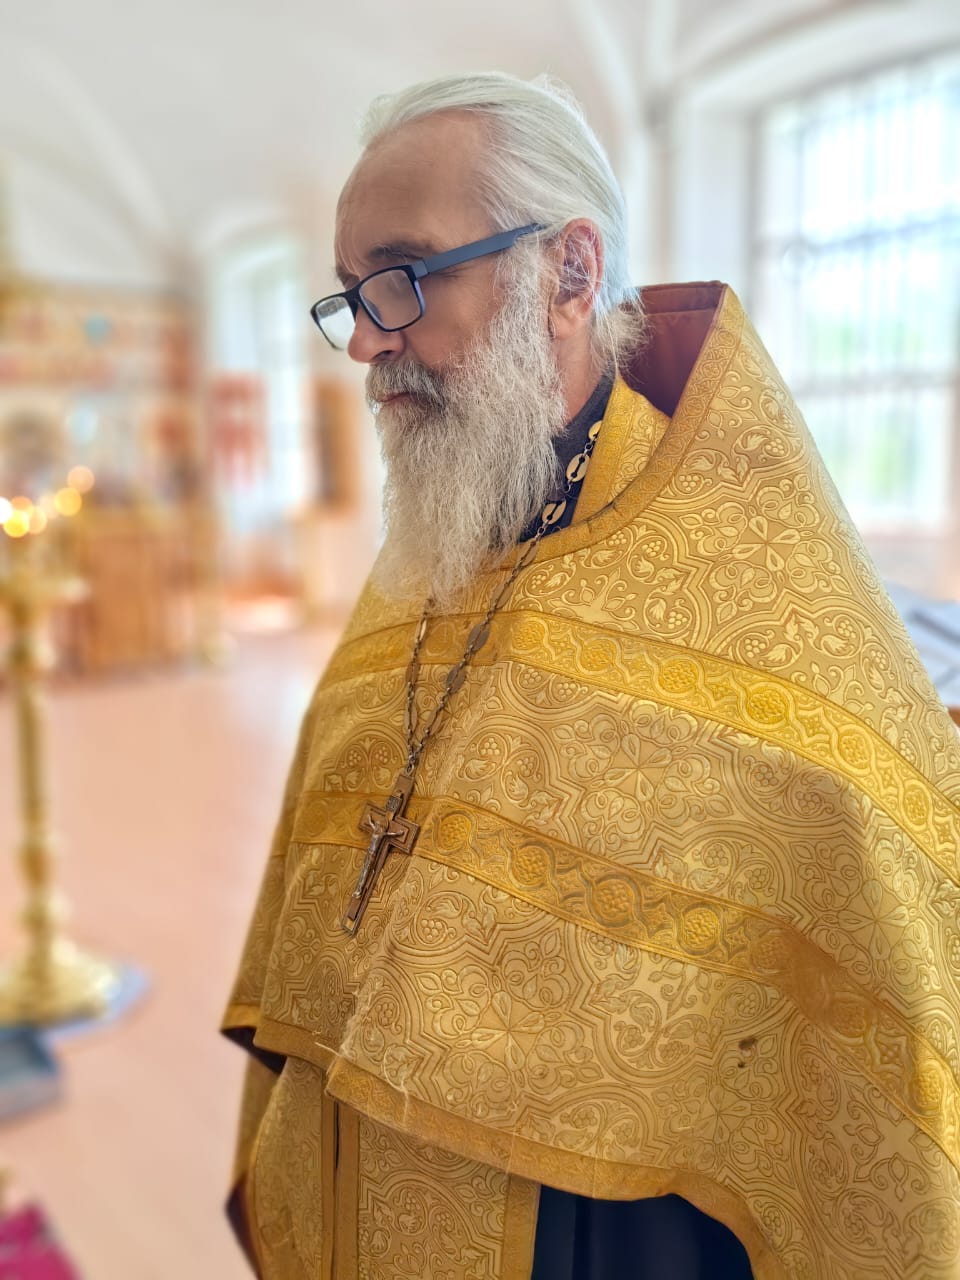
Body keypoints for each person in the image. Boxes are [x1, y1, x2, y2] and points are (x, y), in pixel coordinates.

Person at [221, 72, 960, 1280]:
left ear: (568, 273)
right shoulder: (436, 541)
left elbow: (862, 873)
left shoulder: (752, 594)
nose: (365, 340)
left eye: (403, 279)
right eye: (350, 294)